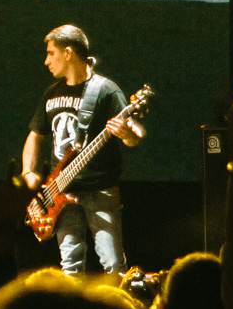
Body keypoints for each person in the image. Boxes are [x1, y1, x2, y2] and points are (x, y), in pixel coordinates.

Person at [21, 25, 143, 276]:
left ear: (67, 53)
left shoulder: (106, 90)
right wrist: (28, 171)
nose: (46, 61)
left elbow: (133, 137)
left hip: (100, 189)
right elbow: (35, 134)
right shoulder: (52, 93)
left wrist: (127, 133)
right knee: (70, 266)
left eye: (50, 53)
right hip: (62, 190)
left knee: (112, 264)